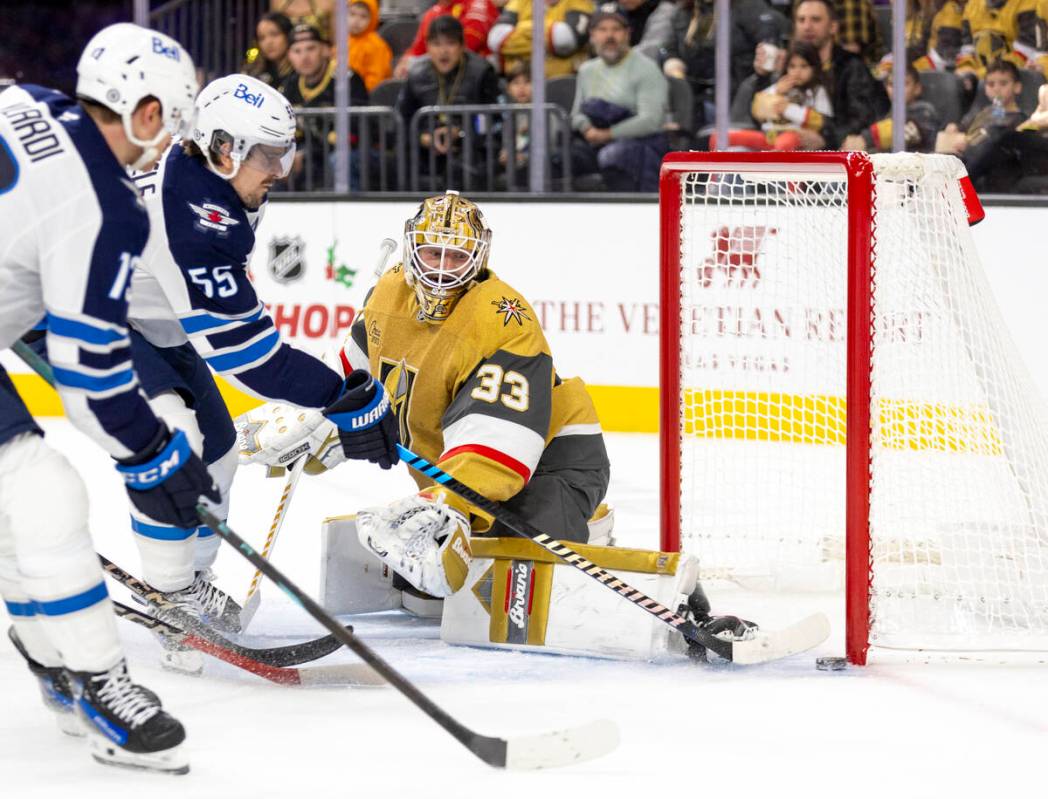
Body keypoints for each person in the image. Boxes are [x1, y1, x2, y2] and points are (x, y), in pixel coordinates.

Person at [236, 191, 764, 662]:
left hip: (550, 462)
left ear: (478, 258)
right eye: (432, 253)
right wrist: (312, 428)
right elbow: (358, 388)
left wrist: (446, 507)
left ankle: (589, 527)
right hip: (461, 474)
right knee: (432, 598)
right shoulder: (386, 294)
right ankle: (479, 532)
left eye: (456, 256)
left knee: (528, 585)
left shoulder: (502, 318)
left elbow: (499, 441)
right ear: (411, 250)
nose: (442, 268)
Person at [0, 23, 209, 774]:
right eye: (173, 128)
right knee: (43, 491)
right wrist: (155, 453)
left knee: (17, 507)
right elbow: (88, 377)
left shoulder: (28, 98)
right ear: (147, 113)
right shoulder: (107, 206)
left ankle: (56, 660)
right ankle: (96, 684)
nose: (169, 149)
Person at [125, 73, 400, 643]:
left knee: (220, 454)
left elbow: (231, 318)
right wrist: (341, 397)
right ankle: (169, 592)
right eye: (270, 155)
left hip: (155, 319)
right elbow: (250, 360)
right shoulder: (192, 217)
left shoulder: (222, 184)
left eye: (286, 153)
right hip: (91, 314)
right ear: (224, 149)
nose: (280, 170)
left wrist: (340, 397)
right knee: (177, 443)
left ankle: (190, 580)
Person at [749, 0, 887, 148]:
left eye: (816, 20)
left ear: (833, 27)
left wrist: (825, 140)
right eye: (801, 20)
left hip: (835, 156)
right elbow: (757, 116)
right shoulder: (786, 64)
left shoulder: (852, 66)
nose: (807, 27)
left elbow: (861, 121)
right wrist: (763, 77)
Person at [570, 7, 669, 191]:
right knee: (564, 156)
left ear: (627, 34)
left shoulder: (647, 68)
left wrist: (608, 134)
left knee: (614, 156)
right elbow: (576, 114)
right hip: (593, 141)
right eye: (602, 29)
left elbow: (651, 120)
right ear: (592, 35)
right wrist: (587, 128)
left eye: (616, 29)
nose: (610, 36)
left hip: (639, 142)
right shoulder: (586, 70)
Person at [395, 16, 500, 187]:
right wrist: (423, 137)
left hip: (472, 149)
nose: (443, 51)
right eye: (436, 44)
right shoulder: (416, 74)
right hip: (427, 150)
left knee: (463, 165)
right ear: (427, 47)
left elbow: (493, 119)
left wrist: (460, 134)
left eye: (450, 43)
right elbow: (401, 120)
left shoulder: (482, 72)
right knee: (397, 162)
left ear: (461, 46)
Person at [662, 0, 788, 129]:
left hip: (737, 93)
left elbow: (770, 43)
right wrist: (673, 66)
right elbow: (669, 49)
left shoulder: (748, 7)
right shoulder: (684, 12)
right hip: (695, 95)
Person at [280, 24, 368, 187]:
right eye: (297, 51)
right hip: (313, 157)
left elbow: (354, 135)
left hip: (353, 154)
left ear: (326, 50)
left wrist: (306, 154)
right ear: (289, 56)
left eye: (311, 48)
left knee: (339, 161)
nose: (304, 57)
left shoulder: (347, 79)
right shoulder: (291, 85)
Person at [937, 58, 1030, 188]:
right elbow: (965, 128)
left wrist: (970, 146)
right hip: (966, 161)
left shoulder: (1020, 119)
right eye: (991, 84)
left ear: (1017, 87)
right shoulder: (983, 113)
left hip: (994, 171)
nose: (997, 89)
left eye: (1003, 84)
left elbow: (996, 143)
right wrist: (954, 129)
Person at [725, 40, 833, 151]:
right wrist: (776, 92)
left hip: (796, 136)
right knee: (726, 139)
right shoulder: (779, 87)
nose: (797, 72)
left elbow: (821, 122)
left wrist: (788, 109)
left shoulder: (817, 91)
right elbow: (757, 111)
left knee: (785, 143)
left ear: (814, 69)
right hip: (768, 136)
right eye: (792, 66)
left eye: (804, 66)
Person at [843, 63, 942, 152]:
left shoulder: (925, 112)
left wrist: (865, 140)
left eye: (904, 84)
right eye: (891, 84)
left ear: (917, 88)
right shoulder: (887, 116)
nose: (896, 89)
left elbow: (909, 130)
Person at [487, 0, 594, 78]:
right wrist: (550, 31)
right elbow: (496, 40)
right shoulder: (520, 2)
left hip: (563, 85)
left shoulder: (578, 2)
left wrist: (520, 30)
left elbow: (566, 40)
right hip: (521, 85)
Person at [393, 0, 500, 78]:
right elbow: (417, 50)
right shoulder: (432, 13)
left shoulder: (478, 4)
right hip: (437, 74)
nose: (443, 50)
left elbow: (467, 47)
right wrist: (405, 63)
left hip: (476, 74)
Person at [598, 0, 677, 63]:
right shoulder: (614, 9)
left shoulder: (664, 10)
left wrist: (613, 58)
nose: (623, 1)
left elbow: (651, 50)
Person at [348, 0, 393, 92]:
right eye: (352, 14)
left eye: (363, 16)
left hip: (364, 98)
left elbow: (375, 82)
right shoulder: (340, 40)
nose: (356, 21)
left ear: (373, 18)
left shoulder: (376, 45)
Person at [243, 11, 295, 88]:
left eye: (274, 34)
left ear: (288, 35)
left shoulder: (301, 72)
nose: (268, 42)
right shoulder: (254, 73)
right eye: (262, 38)